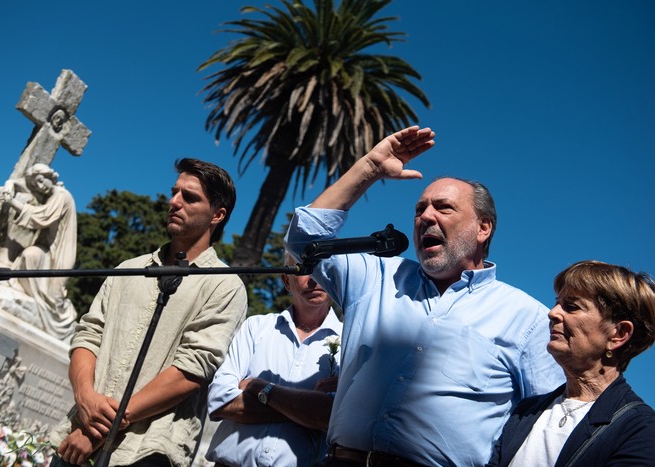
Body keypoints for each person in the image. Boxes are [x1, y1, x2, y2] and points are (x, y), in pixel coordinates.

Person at [284, 126, 564, 466]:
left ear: (483, 228)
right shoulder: (376, 277)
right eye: (419, 209)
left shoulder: (528, 318)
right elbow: (303, 242)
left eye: (443, 208)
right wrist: (370, 168)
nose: (425, 217)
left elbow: (546, 427)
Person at [50, 158, 248, 467]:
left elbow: (193, 368)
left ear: (218, 215)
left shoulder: (225, 286)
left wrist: (104, 428)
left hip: (149, 450)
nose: (174, 202)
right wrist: (86, 398)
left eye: (190, 197)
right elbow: (88, 335)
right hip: (77, 435)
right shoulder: (128, 269)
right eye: (174, 192)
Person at [487, 261, 655, 466]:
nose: (553, 313)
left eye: (572, 307)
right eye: (557, 302)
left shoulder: (639, 427)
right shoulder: (526, 411)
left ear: (618, 334)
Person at [205, 254, 343, 466]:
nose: (314, 279)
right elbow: (220, 402)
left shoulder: (350, 342)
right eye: (303, 269)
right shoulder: (256, 327)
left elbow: (332, 417)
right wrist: (308, 408)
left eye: (323, 269)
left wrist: (258, 386)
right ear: (286, 280)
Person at [2, 163, 78, 339]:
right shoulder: (52, 195)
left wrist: (11, 201)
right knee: (29, 256)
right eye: (36, 185)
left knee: (54, 297)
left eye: (41, 181)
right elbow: (19, 182)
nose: (40, 186)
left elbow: (41, 216)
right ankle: (31, 299)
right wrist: (9, 184)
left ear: (50, 177)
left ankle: (62, 327)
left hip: (59, 254)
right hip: (47, 250)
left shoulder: (62, 195)